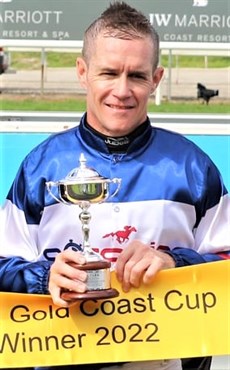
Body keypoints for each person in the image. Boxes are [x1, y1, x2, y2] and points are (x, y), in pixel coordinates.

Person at [0, 2, 229, 370]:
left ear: (156, 79)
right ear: (82, 71)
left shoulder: (193, 168)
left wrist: (175, 262)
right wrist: (45, 277)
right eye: (109, 73)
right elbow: (2, 266)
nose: (122, 90)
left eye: (136, 76)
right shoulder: (40, 168)